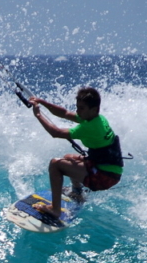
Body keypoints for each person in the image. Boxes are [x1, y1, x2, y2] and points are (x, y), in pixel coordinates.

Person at [29, 87, 123, 218]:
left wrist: (38, 115)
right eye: (77, 107)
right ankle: (77, 192)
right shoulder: (97, 118)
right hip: (109, 169)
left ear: (94, 109)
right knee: (68, 157)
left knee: (55, 164)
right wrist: (42, 102)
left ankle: (55, 210)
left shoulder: (90, 127)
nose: (78, 111)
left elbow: (55, 133)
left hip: (105, 177)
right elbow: (65, 113)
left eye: (82, 108)